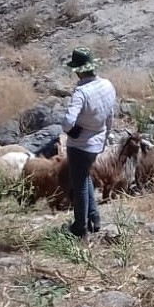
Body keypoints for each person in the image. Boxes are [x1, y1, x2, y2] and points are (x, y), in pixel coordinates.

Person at [60, 47, 116, 240]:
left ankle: (80, 228)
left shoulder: (81, 92)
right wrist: (105, 137)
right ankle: (95, 218)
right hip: (97, 141)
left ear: (78, 70)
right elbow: (110, 116)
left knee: (80, 185)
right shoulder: (107, 85)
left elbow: (68, 122)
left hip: (80, 145)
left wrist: (70, 130)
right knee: (85, 179)